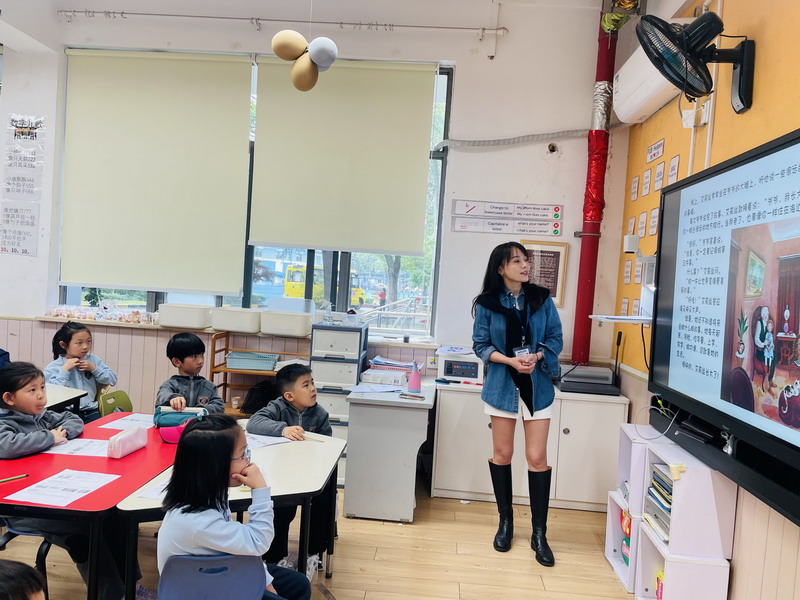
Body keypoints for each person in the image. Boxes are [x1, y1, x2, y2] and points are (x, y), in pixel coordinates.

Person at [0, 362, 154, 600]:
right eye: (31, 390)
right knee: (87, 531)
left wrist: (61, 433)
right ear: (9, 398)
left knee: (116, 517)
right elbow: (7, 445)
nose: (41, 395)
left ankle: (130, 587)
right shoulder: (5, 422)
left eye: (42, 387)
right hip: (25, 507)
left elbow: (73, 420)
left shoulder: (40, 414)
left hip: (53, 492)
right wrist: (49, 437)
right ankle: (113, 596)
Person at [471, 241, 563, 567]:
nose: (525, 266)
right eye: (517, 261)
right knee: (503, 454)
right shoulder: (486, 304)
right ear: (501, 268)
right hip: (502, 387)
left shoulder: (541, 299)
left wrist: (536, 356)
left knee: (537, 458)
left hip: (537, 387)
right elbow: (480, 345)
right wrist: (510, 361)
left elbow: (555, 339)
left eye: (526, 260)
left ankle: (539, 534)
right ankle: (505, 523)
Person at [158, 413, 310, 600]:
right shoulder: (198, 522)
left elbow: (243, 549)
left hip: (218, 572)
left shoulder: (205, 496)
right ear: (216, 465)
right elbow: (258, 541)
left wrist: (267, 582)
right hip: (201, 590)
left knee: (298, 584)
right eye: (242, 454)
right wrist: (260, 490)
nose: (248, 460)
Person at [247, 364, 333, 577]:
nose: (313, 388)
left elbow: (328, 446)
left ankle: (312, 553)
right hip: (283, 472)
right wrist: (283, 429)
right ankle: (275, 558)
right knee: (280, 506)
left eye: (312, 382)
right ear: (289, 396)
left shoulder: (320, 414)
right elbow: (254, 423)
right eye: (306, 385)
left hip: (312, 472)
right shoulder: (277, 408)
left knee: (325, 497)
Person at [44, 321, 117, 422]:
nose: (85, 346)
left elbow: (113, 379)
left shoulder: (93, 360)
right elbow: (52, 396)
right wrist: (64, 371)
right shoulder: (53, 367)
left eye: (88, 341)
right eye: (79, 343)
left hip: (91, 411)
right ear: (63, 345)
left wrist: (94, 369)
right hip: (65, 413)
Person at [156, 332, 224, 413]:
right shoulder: (170, 385)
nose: (200, 361)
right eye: (194, 356)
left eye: (202, 355)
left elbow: (219, 406)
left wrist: (202, 410)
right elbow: (162, 396)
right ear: (177, 362)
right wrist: (173, 398)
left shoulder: (209, 387)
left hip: (200, 421)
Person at [754, 306, 777, 391]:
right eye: (764, 314)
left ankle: (770, 379)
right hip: (760, 350)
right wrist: (763, 344)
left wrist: (771, 345)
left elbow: (770, 337)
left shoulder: (768, 323)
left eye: (767, 314)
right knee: (769, 358)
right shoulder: (759, 323)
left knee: (774, 356)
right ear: (762, 315)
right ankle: (766, 380)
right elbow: (756, 339)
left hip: (767, 349)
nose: (765, 316)